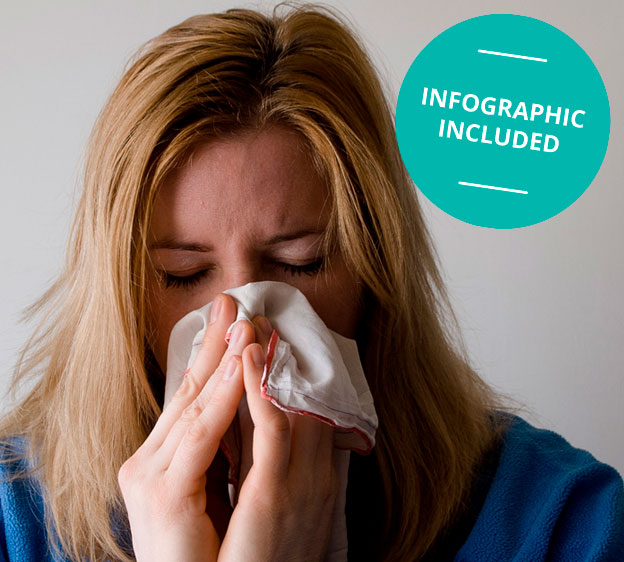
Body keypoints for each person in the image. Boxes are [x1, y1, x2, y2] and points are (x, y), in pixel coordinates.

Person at [0, 3, 622, 561]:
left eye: (302, 264)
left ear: (378, 270)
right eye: (181, 274)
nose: (242, 329)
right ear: (120, 293)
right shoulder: (14, 520)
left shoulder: (567, 524)